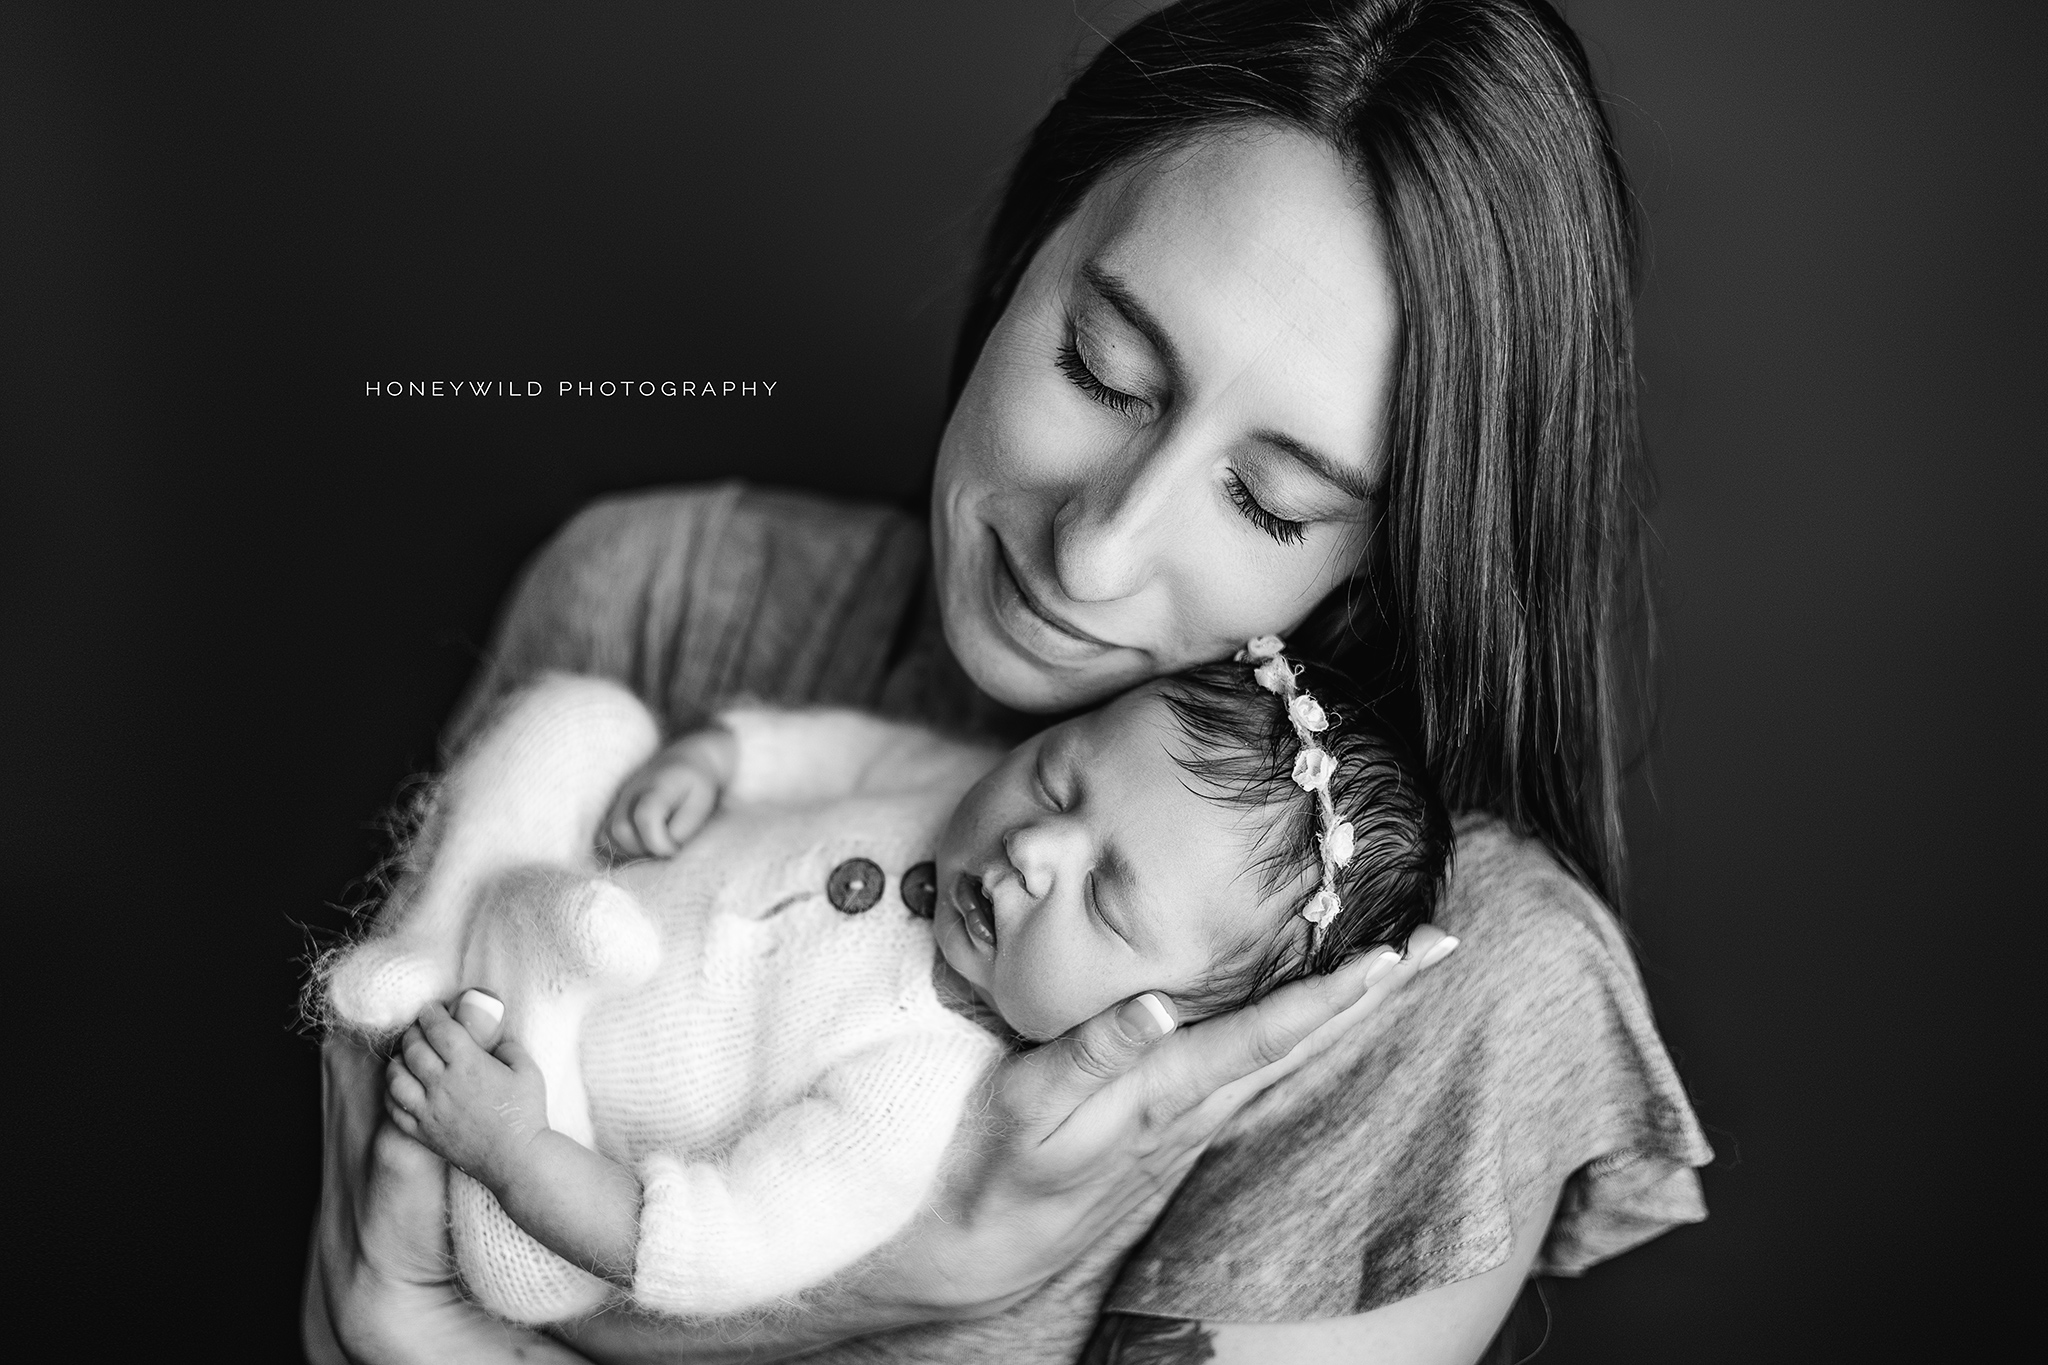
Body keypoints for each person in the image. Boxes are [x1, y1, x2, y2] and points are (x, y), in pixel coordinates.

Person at [305, 2, 1712, 1361]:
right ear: (1025, 252)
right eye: (1102, 370)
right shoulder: (653, 598)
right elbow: (358, 1280)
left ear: (1388, 554)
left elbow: (399, 1302)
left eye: (1272, 504)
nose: (1095, 551)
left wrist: (918, 1275)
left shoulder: (1447, 993)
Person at [355, 646, 1448, 1324]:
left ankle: (498, 968)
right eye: (1057, 776)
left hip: (561, 1126)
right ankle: (442, 934)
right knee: (581, 717)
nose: (1034, 848)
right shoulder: (950, 787)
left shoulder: (916, 1102)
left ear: (1154, 1027)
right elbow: (836, 754)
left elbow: (709, 1240)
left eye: (1105, 899)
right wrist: (717, 761)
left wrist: (515, 1148)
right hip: (603, 879)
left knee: (532, 1273)